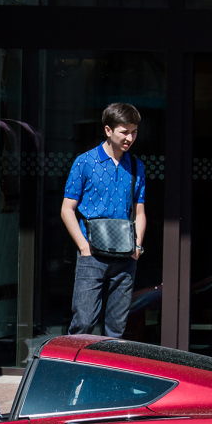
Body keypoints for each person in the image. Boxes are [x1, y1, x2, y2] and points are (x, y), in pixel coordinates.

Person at [60, 102, 147, 338]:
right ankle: (73, 372)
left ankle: (106, 374)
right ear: (108, 130)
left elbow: (140, 212)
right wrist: (83, 247)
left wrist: (137, 247)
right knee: (83, 324)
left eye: (134, 131)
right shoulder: (85, 162)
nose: (130, 137)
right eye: (124, 131)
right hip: (92, 254)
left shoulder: (137, 167)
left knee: (116, 330)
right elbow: (67, 209)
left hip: (125, 255)